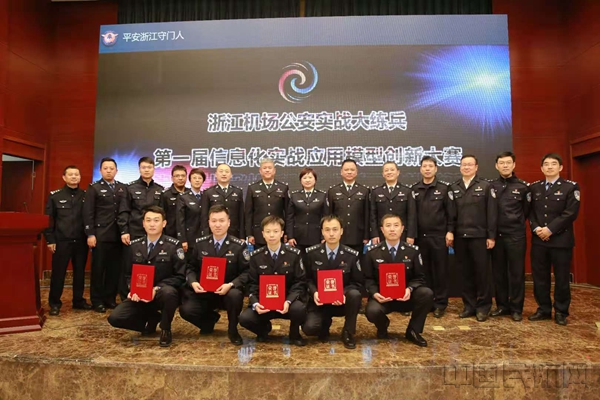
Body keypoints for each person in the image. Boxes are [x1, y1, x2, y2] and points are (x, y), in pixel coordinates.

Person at [107, 206, 186, 347]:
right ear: (143, 223)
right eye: (148, 220)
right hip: (140, 295)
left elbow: (180, 276)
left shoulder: (173, 246)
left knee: (169, 293)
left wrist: (156, 289)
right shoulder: (134, 246)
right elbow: (127, 273)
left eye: (156, 220)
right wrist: (132, 289)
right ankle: (150, 320)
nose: (152, 224)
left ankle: (165, 329)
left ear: (164, 223)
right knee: (115, 318)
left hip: (162, 293)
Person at [180, 204, 249, 345]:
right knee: (186, 310)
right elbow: (190, 267)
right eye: (214, 221)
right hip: (204, 291)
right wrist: (193, 282)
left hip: (227, 292)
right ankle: (209, 321)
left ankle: (232, 330)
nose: (218, 225)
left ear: (228, 222)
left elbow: (247, 272)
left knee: (235, 295)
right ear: (209, 222)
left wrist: (231, 284)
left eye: (222, 221)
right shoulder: (200, 244)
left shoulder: (238, 246)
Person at [364, 214, 433, 347]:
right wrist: (375, 293)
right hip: (383, 298)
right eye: (388, 226)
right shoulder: (372, 252)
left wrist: (410, 289)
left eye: (396, 226)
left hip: (405, 297)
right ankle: (383, 325)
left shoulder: (412, 251)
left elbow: (420, 277)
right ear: (382, 230)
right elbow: (368, 279)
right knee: (372, 311)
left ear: (402, 229)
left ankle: (413, 330)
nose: (392, 229)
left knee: (426, 293)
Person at [528, 153, 580, 326]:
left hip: (561, 241)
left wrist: (550, 229)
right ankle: (543, 309)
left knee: (561, 277)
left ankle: (561, 311)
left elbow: (570, 213)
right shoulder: (534, 187)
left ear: (560, 167)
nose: (550, 167)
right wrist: (536, 228)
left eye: (553, 164)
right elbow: (530, 212)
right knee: (540, 277)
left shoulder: (570, 187)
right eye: (546, 164)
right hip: (539, 240)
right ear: (541, 168)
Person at [239, 216, 307, 346]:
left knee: (299, 309)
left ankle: (294, 334)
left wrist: (288, 301)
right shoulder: (256, 256)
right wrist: (255, 303)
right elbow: (252, 283)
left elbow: (299, 282)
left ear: (282, 233)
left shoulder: (294, 254)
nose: (271, 235)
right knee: (245, 318)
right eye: (268, 231)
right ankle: (263, 330)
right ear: (263, 234)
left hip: (286, 302)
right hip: (264, 303)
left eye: (275, 231)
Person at [301, 215, 362, 349]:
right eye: (327, 230)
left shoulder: (351, 255)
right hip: (319, 302)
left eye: (335, 229)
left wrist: (343, 293)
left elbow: (357, 283)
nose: (331, 233)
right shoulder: (311, 253)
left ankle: (348, 332)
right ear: (322, 232)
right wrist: (314, 292)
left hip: (342, 302)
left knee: (355, 295)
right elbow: (306, 279)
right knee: (310, 329)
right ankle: (324, 324)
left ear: (341, 231)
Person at [450, 155, 497, 322]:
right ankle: (469, 306)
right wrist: (450, 232)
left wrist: (491, 236)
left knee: (482, 273)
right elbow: (451, 214)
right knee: (465, 273)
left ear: (476, 167)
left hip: (480, 237)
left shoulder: (485, 186)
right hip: (460, 237)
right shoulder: (454, 187)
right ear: (460, 167)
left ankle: (483, 307)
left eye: (470, 164)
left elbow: (492, 213)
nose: (466, 167)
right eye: (464, 164)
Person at [411, 156, 455, 318]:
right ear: (420, 169)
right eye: (424, 166)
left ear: (436, 169)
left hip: (439, 237)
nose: (427, 169)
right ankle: (427, 302)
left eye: (430, 166)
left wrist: (450, 231)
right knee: (424, 272)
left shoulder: (444, 188)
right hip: (420, 238)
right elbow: (412, 215)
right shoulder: (414, 189)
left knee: (440, 271)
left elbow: (451, 213)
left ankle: (440, 303)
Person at [489, 151, 530, 322]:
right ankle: (502, 306)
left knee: (516, 273)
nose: (505, 166)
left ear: (514, 165)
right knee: (498, 273)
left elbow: (526, 211)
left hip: (515, 236)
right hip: (496, 236)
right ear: (496, 166)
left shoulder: (523, 187)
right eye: (501, 163)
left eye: (508, 163)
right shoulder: (491, 186)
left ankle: (516, 308)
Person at [44, 165, 90, 316]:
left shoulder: (86, 196)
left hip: (81, 241)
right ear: (64, 177)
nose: (74, 177)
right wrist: (50, 239)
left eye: (76, 174)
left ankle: (78, 301)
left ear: (80, 177)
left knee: (80, 273)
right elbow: (49, 220)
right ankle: (55, 303)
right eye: (70, 174)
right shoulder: (55, 196)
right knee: (58, 273)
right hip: (61, 241)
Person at [83, 157, 127, 313]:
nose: (109, 171)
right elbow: (88, 212)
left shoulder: (122, 188)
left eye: (111, 168)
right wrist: (90, 234)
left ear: (116, 170)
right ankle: (97, 300)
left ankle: (110, 298)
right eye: (105, 168)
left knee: (114, 270)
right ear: (100, 170)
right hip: (100, 235)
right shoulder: (94, 188)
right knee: (98, 269)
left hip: (117, 235)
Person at [117, 157, 164, 300]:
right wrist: (124, 231)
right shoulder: (130, 188)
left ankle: (148, 295)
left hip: (153, 234)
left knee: (151, 265)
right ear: (139, 169)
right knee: (130, 266)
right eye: (144, 167)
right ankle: (126, 297)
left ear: (154, 169)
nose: (147, 170)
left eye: (149, 167)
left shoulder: (160, 190)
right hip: (134, 232)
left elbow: (162, 214)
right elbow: (124, 211)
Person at [327, 159, 371, 254]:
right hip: (338, 236)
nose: (349, 172)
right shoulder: (333, 191)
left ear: (356, 172)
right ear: (341, 172)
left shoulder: (364, 191)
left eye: (352, 170)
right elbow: (329, 215)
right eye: (346, 170)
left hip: (358, 235)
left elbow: (367, 215)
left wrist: (366, 236)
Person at [245, 158, 289, 247]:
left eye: (270, 168)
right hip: (258, 233)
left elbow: (288, 212)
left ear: (274, 170)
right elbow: (248, 213)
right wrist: (249, 234)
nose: (267, 170)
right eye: (264, 168)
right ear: (260, 171)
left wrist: (287, 233)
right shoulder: (252, 188)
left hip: (278, 232)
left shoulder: (283, 187)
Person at [370, 162, 416, 245]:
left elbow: (411, 215)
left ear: (398, 172)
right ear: (383, 174)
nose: (389, 172)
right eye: (386, 170)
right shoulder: (376, 192)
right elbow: (373, 215)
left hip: (402, 234)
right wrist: (374, 234)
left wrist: (410, 235)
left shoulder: (407, 191)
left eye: (392, 170)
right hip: (382, 234)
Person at [286, 167, 328, 254]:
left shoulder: (322, 195)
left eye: (310, 177)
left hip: (316, 237)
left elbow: (326, 218)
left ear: (315, 180)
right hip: (298, 237)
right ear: (301, 180)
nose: (307, 180)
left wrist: (324, 237)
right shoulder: (295, 196)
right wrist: (290, 236)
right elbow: (290, 218)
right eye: (304, 178)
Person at [201, 163, 245, 239]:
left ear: (231, 175)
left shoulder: (238, 192)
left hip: (234, 233)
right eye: (221, 171)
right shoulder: (208, 192)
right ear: (216, 174)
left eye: (227, 171)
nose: (224, 174)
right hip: (214, 234)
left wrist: (242, 236)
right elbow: (204, 217)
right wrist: (206, 236)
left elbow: (241, 216)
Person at [176, 168, 205, 253]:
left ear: (203, 180)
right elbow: (180, 220)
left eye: (199, 178)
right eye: (194, 178)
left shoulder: (206, 196)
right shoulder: (183, 197)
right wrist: (183, 239)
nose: (197, 180)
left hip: (204, 237)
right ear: (190, 180)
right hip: (190, 238)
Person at [160, 165, 188, 238]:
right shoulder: (165, 195)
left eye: (183, 176)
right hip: (170, 235)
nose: (180, 178)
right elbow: (161, 215)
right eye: (177, 176)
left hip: (188, 234)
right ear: (172, 178)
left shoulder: (190, 193)